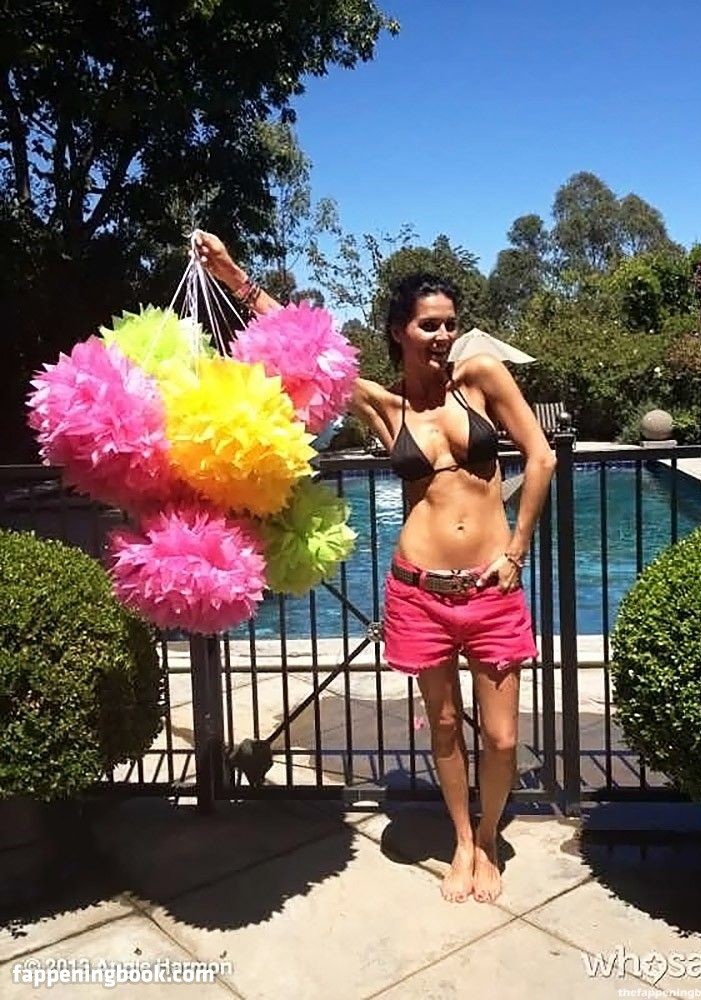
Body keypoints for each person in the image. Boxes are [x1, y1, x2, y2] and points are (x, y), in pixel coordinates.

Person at [194, 231, 556, 903]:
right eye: (429, 325)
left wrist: (517, 551)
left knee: (503, 737)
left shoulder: (481, 379)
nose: (443, 336)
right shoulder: (385, 407)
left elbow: (541, 457)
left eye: (449, 324)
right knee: (443, 727)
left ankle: (488, 835)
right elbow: (306, 349)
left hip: (491, 587)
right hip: (418, 590)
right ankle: (462, 841)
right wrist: (233, 276)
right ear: (399, 331)